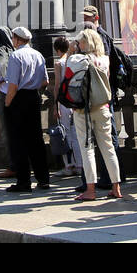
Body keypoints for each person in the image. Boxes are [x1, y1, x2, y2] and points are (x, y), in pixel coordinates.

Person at [70, 29, 122, 201]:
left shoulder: (78, 59)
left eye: (81, 42)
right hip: (103, 106)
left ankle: (90, 190)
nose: (79, 45)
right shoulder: (104, 60)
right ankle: (116, 186)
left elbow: (68, 76)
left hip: (83, 108)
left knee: (87, 149)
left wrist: (72, 51)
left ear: (88, 42)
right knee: (108, 147)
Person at [2, 27, 52, 192]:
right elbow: (45, 81)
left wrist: (8, 103)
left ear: (16, 39)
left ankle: (23, 181)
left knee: (18, 141)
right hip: (34, 97)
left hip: (19, 99)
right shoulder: (38, 55)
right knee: (36, 139)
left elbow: (13, 85)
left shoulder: (16, 56)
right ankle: (43, 178)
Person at [53, 36, 83, 178]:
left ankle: (68, 165)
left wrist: (55, 105)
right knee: (76, 135)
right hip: (75, 100)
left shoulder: (59, 63)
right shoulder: (73, 60)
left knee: (64, 135)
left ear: (57, 50)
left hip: (64, 101)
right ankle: (80, 165)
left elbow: (57, 85)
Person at [0, 27, 18, 179]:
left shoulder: (1, 56)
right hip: (20, 96)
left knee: (8, 132)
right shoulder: (17, 53)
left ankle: (13, 165)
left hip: (5, 95)